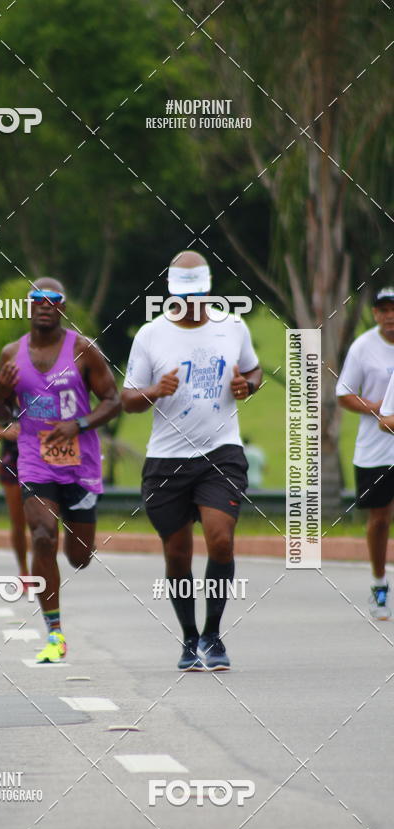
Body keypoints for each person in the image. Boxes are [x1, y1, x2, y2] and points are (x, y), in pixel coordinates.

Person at [121, 251, 262, 671]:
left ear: (208, 290)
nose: (190, 305)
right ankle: (187, 640)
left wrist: (246, 387)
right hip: (166, 460)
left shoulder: (233, 327)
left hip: (221, 452)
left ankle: (213, 636)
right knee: (178, 554)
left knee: (220, 538)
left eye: (198, 296)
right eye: (182, 298)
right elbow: (127, 400)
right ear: (171, 294)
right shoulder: (150, 335)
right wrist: (154, 391)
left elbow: (254, 373)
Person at [0, 277, 121, 662]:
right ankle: (54, 632)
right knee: (43, 536)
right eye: (37, 299)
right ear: (30, 307)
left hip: (80, 463)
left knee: (79, 556)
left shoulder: (83, 351)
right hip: (34, 459)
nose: (45, 305)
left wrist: (79, 424)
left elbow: (112, 400)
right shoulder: (11, 354)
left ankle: (77, 542)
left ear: (62, 308)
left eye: (53, 300)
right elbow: (0, 413)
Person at [337, 286, 394, 620]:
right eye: (382, 310)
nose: (389, 316)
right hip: (375, 450)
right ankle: (378, 582)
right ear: (375, 314)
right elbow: (343, 393)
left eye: (393, 309)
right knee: (380, 519)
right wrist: (378, 409)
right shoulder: (363, 348)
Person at [0, 414, 30, 587]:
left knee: (42, 520)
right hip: (12, 460)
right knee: (18, 521)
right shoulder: (4, 395)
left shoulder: (42, 391)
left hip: (40, 458)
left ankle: (44, 567)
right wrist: (6, 433)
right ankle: (24, 571)